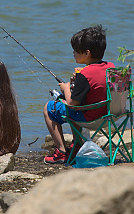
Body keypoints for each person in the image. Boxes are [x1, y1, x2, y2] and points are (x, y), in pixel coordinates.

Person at [42, 25, 114, 164]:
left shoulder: (85, 75)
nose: (73, 53)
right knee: (78, 106)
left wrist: (66, 88)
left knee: (49, 107)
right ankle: (76, 145)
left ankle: (61, 151)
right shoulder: (110, 67)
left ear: (86, 53)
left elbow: (72, 104)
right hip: (109, 114)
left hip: (89, 118)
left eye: (76, 50)